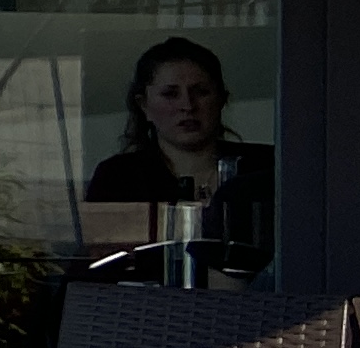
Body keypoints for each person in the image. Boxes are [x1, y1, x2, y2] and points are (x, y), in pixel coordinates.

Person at [83, 36, 270, 237]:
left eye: (201, 92)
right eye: (170, 94)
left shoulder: (268, 167)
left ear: (221, 100)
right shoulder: (117, 178)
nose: (188, 106)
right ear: (144, 105)